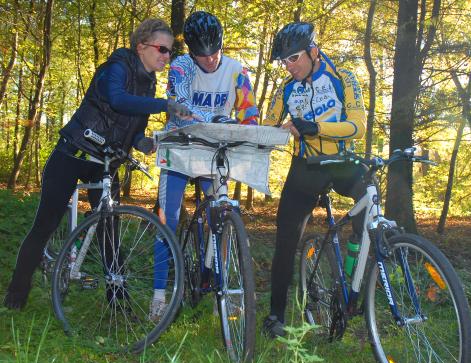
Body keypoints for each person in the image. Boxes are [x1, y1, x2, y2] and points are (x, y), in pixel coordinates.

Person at [3, 18, 188, 310]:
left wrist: (142, 142)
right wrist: (164, 104)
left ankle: (118, 303)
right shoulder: (117, 67)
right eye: (162, 49)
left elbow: (135, 125)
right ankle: (15, 298)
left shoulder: (148, 82)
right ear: (141, 46)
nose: (166, 56)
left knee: (109, 232)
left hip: (105, 162)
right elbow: (116, 99)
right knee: (45, 225)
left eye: (170, 52)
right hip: (72, 154)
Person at [150, 11, 259, 321]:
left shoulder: (238, 71)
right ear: (191, 51)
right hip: (181, 149)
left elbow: (249, 110)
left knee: (220, 220)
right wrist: (218, 119)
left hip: (214, 151)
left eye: (214, 52)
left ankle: (221, 291)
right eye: (202, 54)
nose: (210, 59)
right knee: (166, 219)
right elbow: (182, 107)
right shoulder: (181, 66)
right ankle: (158, 297)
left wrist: (248, 130)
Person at [261, 22, 367, 337]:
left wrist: (314, 127)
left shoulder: (343, 77)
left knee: (370, 201)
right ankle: (275, 316)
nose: (288, 66)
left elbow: (357, 125)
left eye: (293, 58)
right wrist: (268, 133)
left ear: (314, 51)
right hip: (306, 167)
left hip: (342, 162)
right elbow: (267, 125)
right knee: (285, 240)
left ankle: (353, 287)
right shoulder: (286, 89)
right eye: (284, 61)